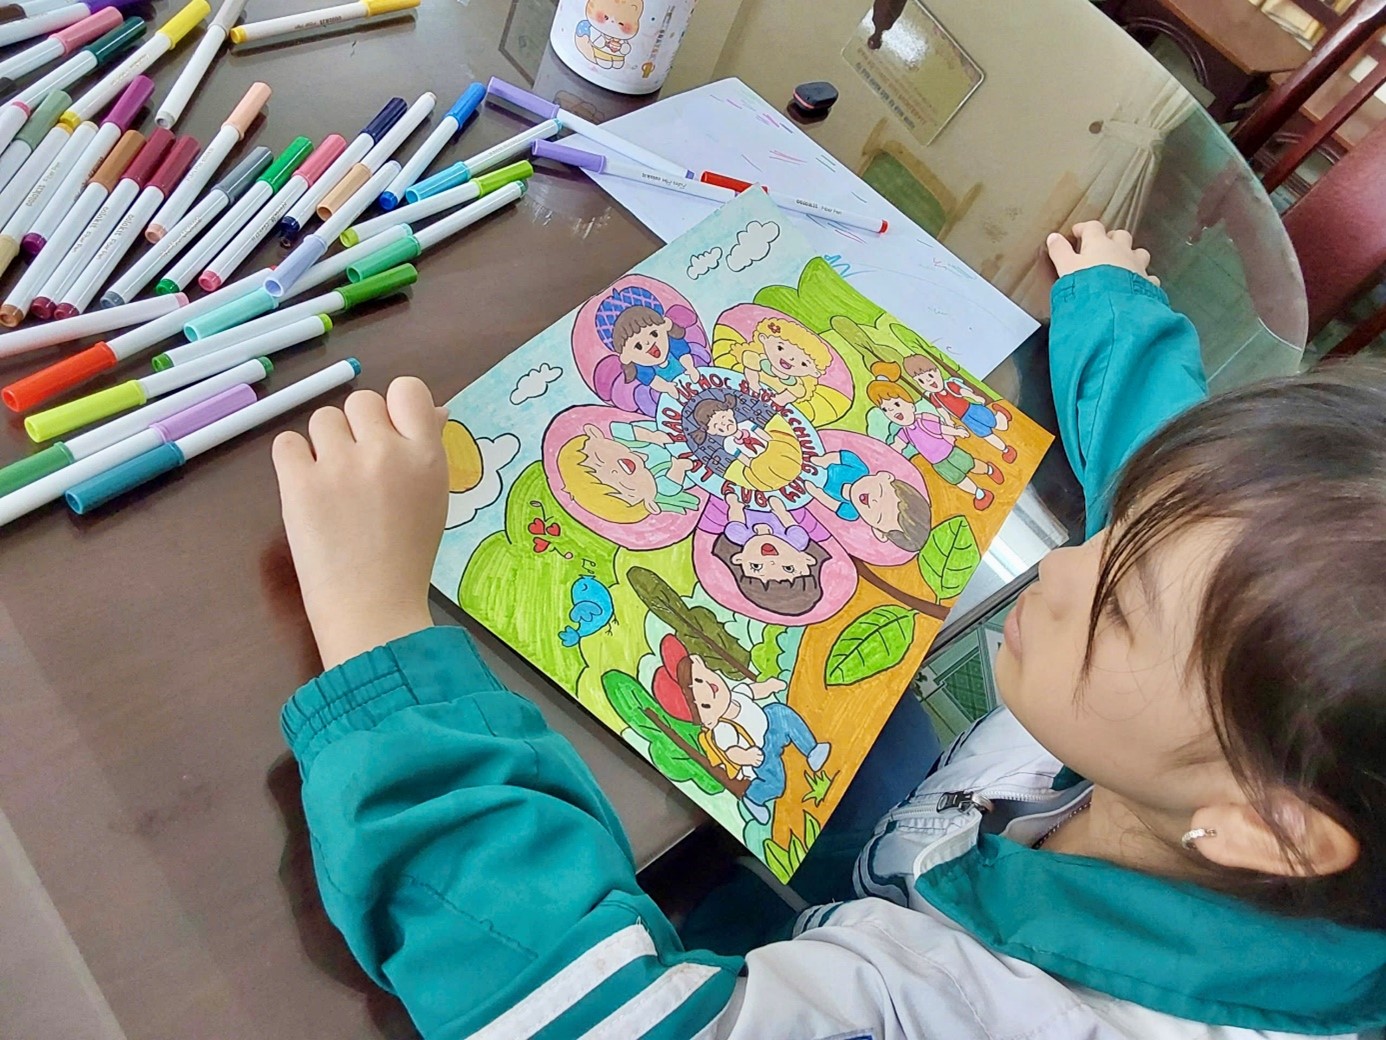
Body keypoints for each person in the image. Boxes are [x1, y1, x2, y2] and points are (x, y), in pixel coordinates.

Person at [273, 221, 1386, 1039]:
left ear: (1265, 827)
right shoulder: (1257, 738)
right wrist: (1113, 308)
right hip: (937, 838)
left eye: (1120, 606)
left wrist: (374, 627)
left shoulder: (970, 1012)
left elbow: (596, 1019)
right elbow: (1183, 497)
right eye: (1122, 526)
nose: (1058, 566)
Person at [650, 635, 830, 824]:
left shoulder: (737, 694)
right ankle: (753, 797)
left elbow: (754, 691)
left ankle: (813, 751)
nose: (710, 690)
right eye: (705, 705)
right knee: (776, 783)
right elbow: (731, 753)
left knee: (781, 713)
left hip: (770, 725)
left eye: (702, 679)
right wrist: (746, 756)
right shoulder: (722, 729)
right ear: (708, 721)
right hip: (759, 754)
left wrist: (769, 686)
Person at [866, 360, 1002, 510]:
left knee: (970, 465)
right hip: (936, 462)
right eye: (886, 410)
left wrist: (956, 431)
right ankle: (979, 494)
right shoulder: (903, 432)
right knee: (956, 478)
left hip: (950, 451)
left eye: (897, 404)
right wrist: (886, 455)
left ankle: (989, 470)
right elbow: (898, 445)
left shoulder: (924, 419)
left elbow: (941, 429)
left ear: (911, 405)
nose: (893, 411)